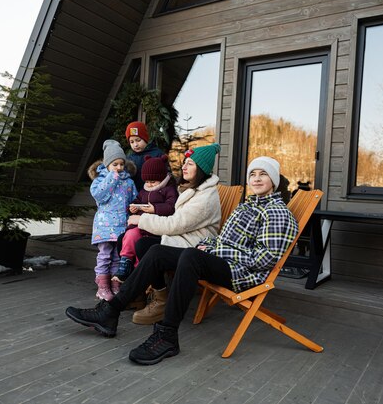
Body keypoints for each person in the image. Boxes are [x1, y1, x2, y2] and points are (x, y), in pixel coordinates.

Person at [66, 156, 298, 365]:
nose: (257, 179)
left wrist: (215, 251)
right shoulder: (245, 207)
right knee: (157, 252)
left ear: (274, 181)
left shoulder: (276, 212)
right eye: (253, 174)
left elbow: (265, 258)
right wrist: (209, 247)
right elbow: (223, 241)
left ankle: (167, 335)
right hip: (222, 261)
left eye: (263, 174)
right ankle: (110, 311)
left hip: (243, 274)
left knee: (190, 257)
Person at [124, 143, 222, 325]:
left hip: (194, 247)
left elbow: (176, 224)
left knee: (151, 248)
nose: (184, 166)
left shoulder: (206, 197)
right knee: (142, 244)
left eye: (190, 163)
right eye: (185, 162)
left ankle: (147, 301)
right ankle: (157, 296)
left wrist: (142, 219)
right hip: (182, 238)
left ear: (201, 168)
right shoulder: (189, 188)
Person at [112, 154, 178, 283]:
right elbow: (136, 200)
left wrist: (155, 209)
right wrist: (133, 208)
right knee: (129, 235)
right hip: (140, 227)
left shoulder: (168, 190)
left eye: (153, 181)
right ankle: (125, 263)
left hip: (156, 229)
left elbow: (172, 207)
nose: (150, 184)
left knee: (139, 243)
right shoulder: (144, 190)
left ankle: (138, 270)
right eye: (147, 181)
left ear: (162, 178)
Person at [87, 139, 138, 301]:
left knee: (118, 256)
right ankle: (102, 287)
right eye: (114, 164)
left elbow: (133, 199)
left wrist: (134, 209)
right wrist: (112, 178)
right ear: (107, 164)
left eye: (121, 164)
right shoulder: (100, 181)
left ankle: (115, 285)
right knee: (105, 256)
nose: (119, 168)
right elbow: (99, 197)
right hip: (104, 226)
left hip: (121, 226)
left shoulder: (128, 182)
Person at [125, 121, 165, 191]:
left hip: (154, 192)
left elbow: (165, 174)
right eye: (132, 142)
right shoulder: (129, 158)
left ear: (145, 139)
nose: (135, 144)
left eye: (138, 140)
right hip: (136, 195)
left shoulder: (157, 154)